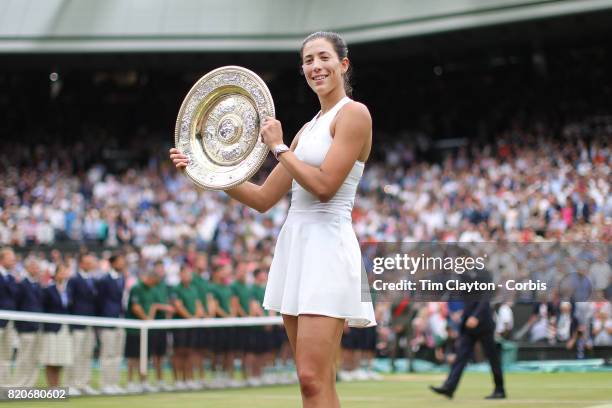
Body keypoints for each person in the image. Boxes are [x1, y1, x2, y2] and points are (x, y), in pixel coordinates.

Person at [171, 30, 376, 407]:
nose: (315, 66)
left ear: (343, 64)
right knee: (310, 382)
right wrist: (202, 171)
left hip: (328, 247)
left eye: (323, 57)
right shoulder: (307, 129)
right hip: (296, 247)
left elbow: (326, 186)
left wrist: (278, 147)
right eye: (308, 60)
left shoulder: (355, 114)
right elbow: (263, 197)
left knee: (313, 378)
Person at [429, 300, 506, 399]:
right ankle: (449, 387)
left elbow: (485, 299)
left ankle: (499, 390)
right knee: (460, 356)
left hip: (484, 324)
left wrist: (475, 316)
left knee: (492, 358)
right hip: (468, 326)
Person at [65, 252, 99, 396]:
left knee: (87, 354)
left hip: (90, 324)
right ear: (81, 264)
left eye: (92, 262)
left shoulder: (93, 280)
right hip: (77, 323)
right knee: (75, 355)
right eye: (88, 262)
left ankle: (83, 383)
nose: (91, 265)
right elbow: (69, 301)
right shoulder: (74, 280)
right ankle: (70, 384)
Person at [95, 253, 128, 394]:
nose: (123, 263)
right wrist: (104, 319)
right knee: (107, 354)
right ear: (113, 263)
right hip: (108, 321)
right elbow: (100, 301)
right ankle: (105, 384)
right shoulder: (104, 280)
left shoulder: (122, 279)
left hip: (120, 321)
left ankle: (113, 383)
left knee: (117, 355)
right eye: (120, 261)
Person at [41, 262, 73, 387]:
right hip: (52, 329)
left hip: (64, 328)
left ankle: (57, 387)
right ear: (55, 274)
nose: (64, 274)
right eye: (61, 272)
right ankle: (51, 387)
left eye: (65, 272)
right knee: (51, 359)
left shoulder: (68, 290)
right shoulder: (48, 289)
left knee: (60, 360)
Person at [13, 257, 44, 387]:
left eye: (37, 267)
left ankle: (30, 385)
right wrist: (19, 326)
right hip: (25, 328)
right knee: (23, 358)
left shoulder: (38, 285)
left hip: (37, 327)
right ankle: (19, 385)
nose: (36, 269)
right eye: (33, 266)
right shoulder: (22, 284)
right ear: (27, 268)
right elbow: (18, 305)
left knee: (34, 358)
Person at [0, 248, 19, 386]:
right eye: (11, 258)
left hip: (9, 322)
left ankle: (4, 384)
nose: (13, 261)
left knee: (6, 354)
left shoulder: (12, 277)